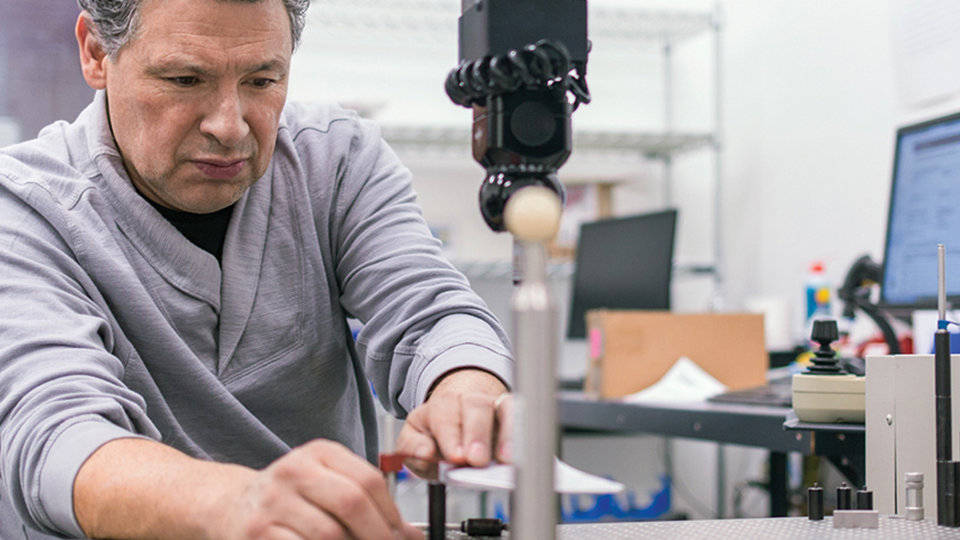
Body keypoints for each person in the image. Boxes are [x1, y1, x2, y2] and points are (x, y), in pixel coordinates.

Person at [0, 0, 515, 538]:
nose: (229, 125)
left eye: (263, 80)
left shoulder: (334, 163)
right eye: (184, 79)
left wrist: (466, 387)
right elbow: (56, 440)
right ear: (96, 52)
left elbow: (430, 314)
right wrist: (234, 504)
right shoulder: (24, 210)